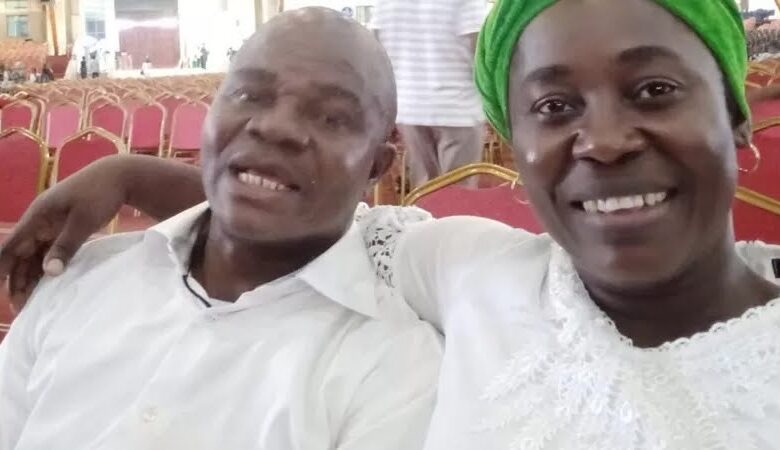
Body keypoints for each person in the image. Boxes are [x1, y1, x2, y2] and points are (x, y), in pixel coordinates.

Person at [4, 0, 780, 448]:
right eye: (554, 106)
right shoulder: (474, 271)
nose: (603, 141)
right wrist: (125, 173)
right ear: (517, 147)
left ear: (737, 116)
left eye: (653, 91)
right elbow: (297, 206)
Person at [0, 8, 441, 450]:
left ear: (376, 166)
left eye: (331, 117)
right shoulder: (80, 282)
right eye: (249, 94)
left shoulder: (396, 368)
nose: (275, 127)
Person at [371, 0, 487, 187]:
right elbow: (480, 50)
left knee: (424, 189)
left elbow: (376, 52)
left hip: (410, 107)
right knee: (459, 191)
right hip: (458, 108)